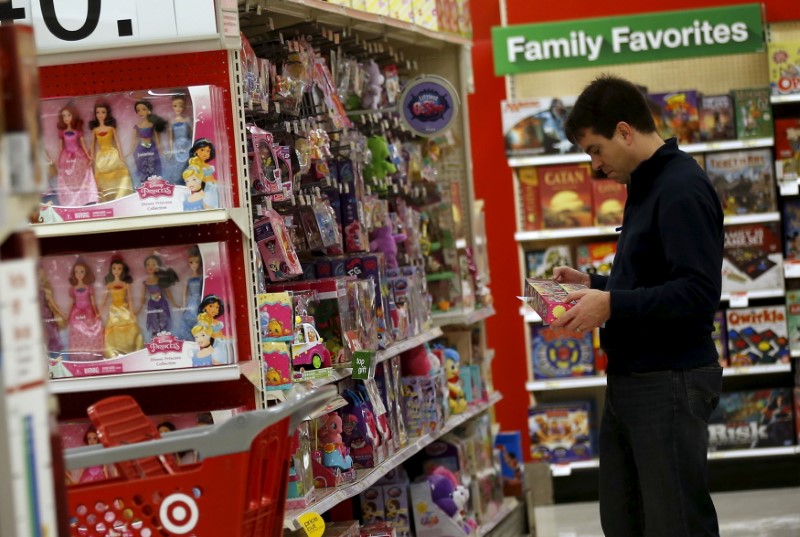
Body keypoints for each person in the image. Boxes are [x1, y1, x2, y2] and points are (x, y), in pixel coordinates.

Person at [550, 74, 724, 537]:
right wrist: (594, 285)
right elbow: (652, 279)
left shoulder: (681, 188)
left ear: (625, 131)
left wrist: (611, 304)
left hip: (670, 380)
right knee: (626, 520)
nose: (594, 165)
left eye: (595, 149)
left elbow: (698, 293)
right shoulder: (645, 185)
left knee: (675, 523)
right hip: (635, 379)